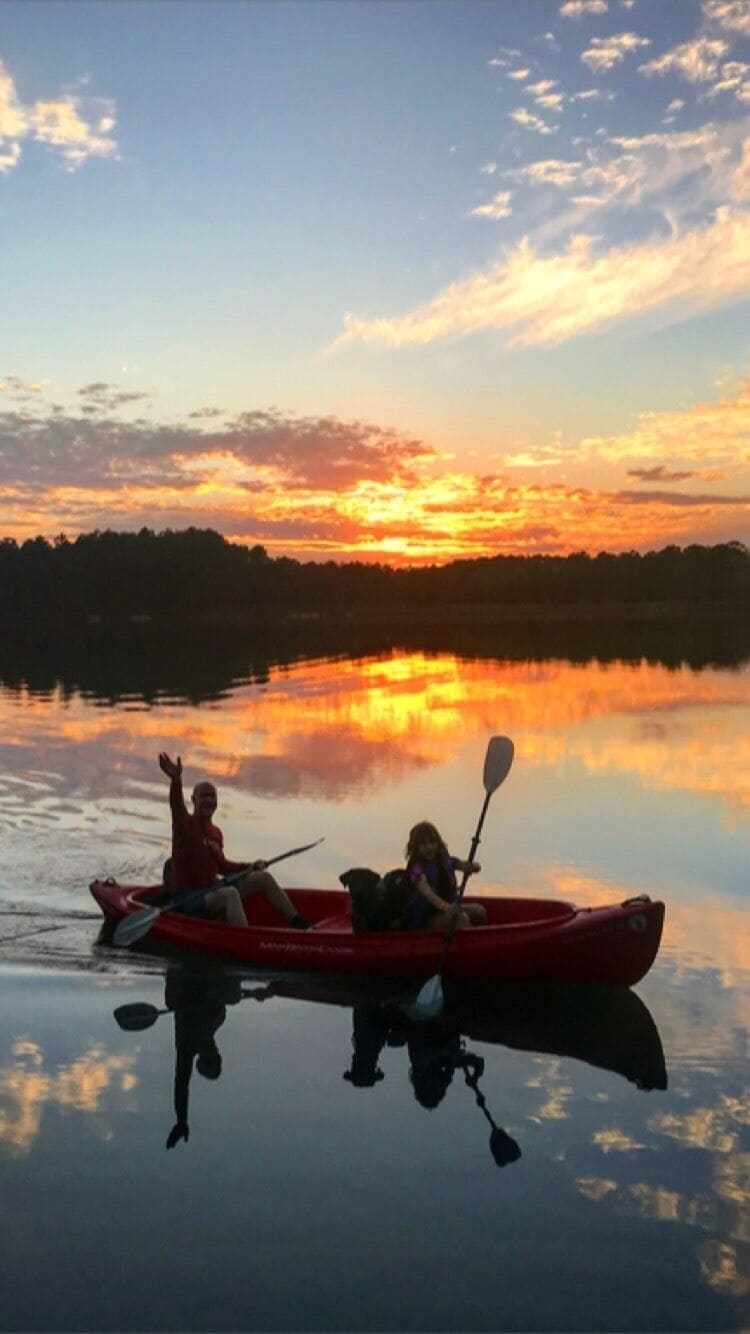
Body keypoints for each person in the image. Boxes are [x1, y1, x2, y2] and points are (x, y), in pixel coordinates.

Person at [158, 751, 310, 928]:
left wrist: (251, 867)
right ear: (193, 799)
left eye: (212, 796)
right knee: (230, 893)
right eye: (204, 796)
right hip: (187, 899)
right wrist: (176, 780)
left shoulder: (216, 833)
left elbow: (223, 867)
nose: (208, 800)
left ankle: (300, 925)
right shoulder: (184, 824)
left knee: (262, 877)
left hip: (211, 890)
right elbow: (176, 805)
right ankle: (245, 937)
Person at [405, 820, 487, 930]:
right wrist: (447, 907)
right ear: (415, 847)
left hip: (447, 909)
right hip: (426, 919)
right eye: (423, 844)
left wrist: (473, 867)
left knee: (479, 911)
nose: (429, 847)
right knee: (461, 919)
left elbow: (464, 865)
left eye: (432, 842)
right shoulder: (415, 869)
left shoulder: (443, 859)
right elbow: (427, 893)